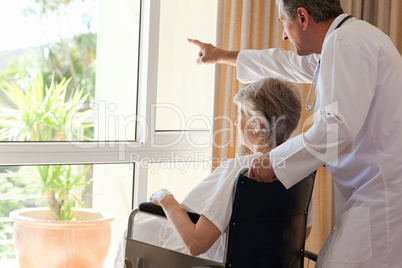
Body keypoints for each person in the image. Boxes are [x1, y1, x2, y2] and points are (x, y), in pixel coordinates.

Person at [188, 0, 402, 267]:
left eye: (283, 23)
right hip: (372, 195)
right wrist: (221, 55)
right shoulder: (346, 41)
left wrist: (275, 162)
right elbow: (284, 63)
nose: (284, 34)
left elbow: (337, 128)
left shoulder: (347, 44)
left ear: (302, 17)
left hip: (380, 200)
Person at [114, 78, 310, 265]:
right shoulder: (300, 170)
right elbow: (303, 232)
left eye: (240, 115)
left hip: (207, 262)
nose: (236, 123)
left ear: (256, 125)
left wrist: (166, 199)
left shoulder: (240, 171)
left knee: (138, 224)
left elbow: (196, 243)